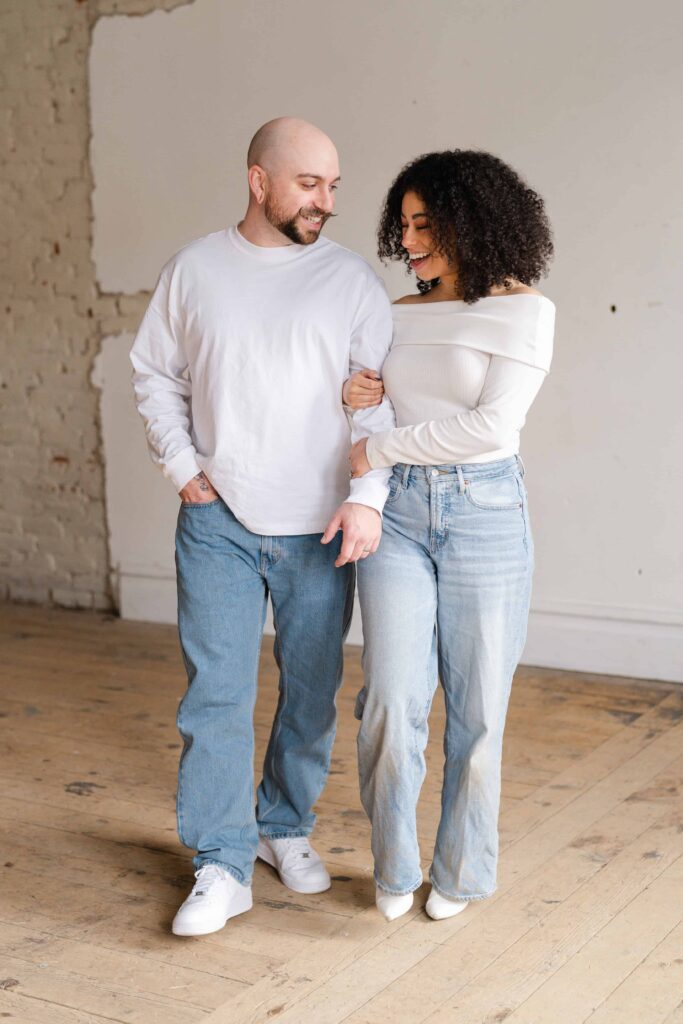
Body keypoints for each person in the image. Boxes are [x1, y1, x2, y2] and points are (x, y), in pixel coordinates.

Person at [130, 117, 395, 937]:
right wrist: (184, 471)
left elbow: (379, 401)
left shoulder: (351, 282)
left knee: (311, 695)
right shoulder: (195, 271)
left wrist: (369, 500)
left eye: (333, 187)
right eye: (309, 183)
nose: (326, 201)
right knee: (215, 696)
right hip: (220, 521)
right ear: (258, 181)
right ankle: (221, 863)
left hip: (320, 524)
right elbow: (153, 376)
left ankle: (282, 828)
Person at [344, 149, 555, 922]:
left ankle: (461, 873)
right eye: (402, 226)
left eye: (425, 223)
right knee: (389, 702)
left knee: (477, 713)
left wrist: (380, 445)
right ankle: (394, 864)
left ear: (474, 221)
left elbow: (489, 426)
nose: (410, 240)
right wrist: (353, 395)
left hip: (485, 514)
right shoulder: (396, 314)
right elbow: (370, 403)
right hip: (394, 515)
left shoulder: (525, 312)